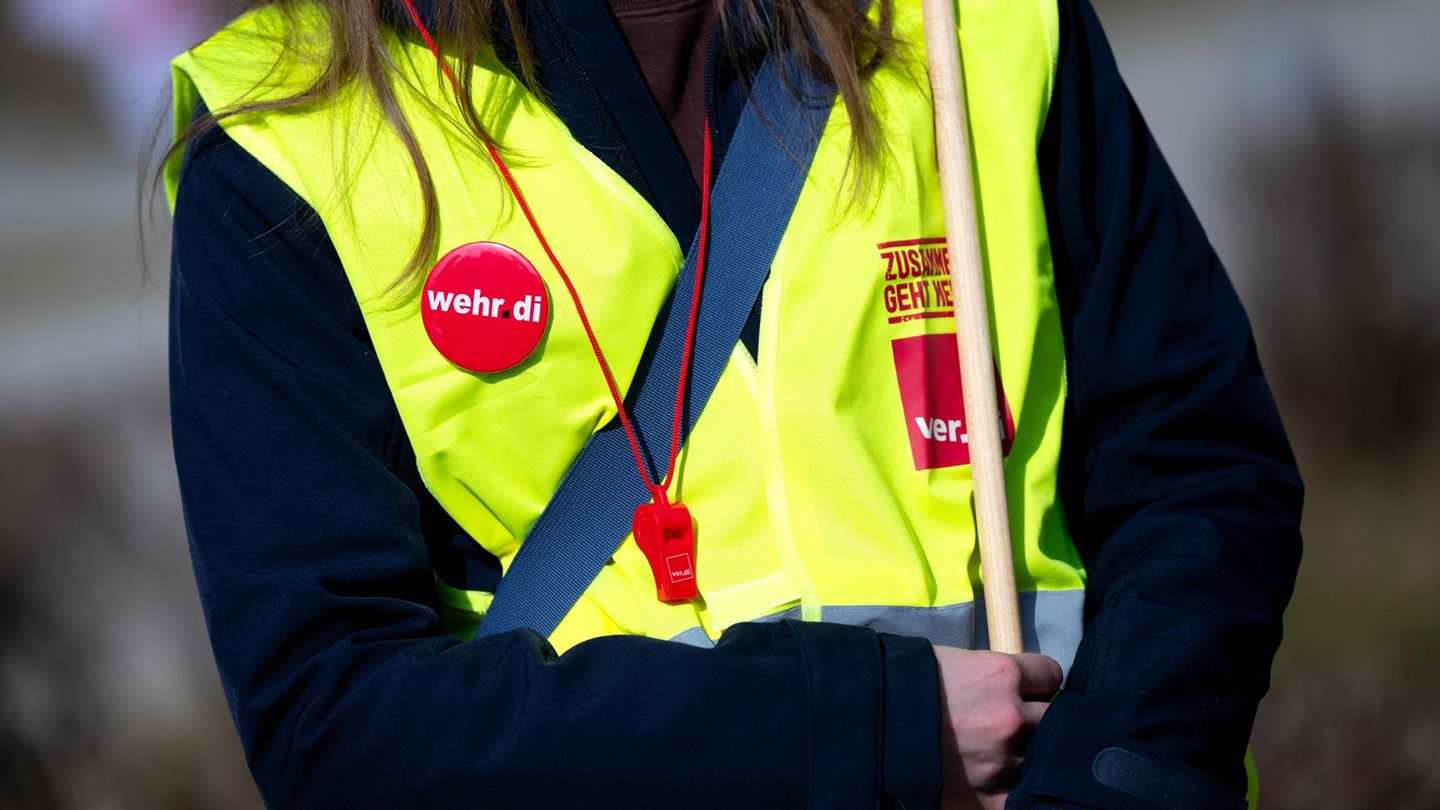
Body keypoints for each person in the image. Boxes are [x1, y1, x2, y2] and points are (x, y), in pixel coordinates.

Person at [164, 0, 1302, 807]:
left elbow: (1199, 471)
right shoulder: (286, 140)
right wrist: (877, 733)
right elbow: (334, 713)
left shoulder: (975, 24)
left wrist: (1115, 778)